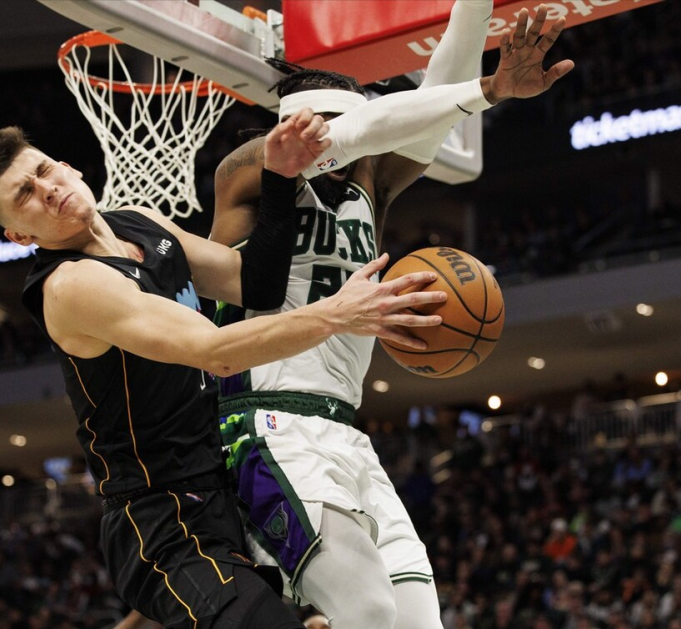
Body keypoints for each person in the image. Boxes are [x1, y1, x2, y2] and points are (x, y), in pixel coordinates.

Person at [0, 110, 447, 628]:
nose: (47, 189)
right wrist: (335, 314)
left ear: (67, 167)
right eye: (25, 195)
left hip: (224, 488)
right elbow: (217, 352)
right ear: (19, 235)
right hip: (160, 516)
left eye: (43, 172)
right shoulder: (71, 285)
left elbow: (252, 283)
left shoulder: (138, 222)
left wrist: (278, 177)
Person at [209, 4, 575, 628]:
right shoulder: (245, 173)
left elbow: (431, 108)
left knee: (417, 618)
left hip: (347, 434)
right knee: (369, 611)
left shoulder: (370, 186)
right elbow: (360, 133)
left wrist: (474, 10)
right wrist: (488, 90)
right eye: (334, 130)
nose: (354, 152)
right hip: (267, 427)